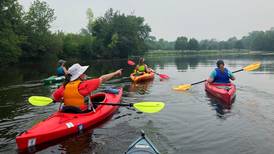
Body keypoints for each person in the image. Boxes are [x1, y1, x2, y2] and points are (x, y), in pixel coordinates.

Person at [52, 63, 122, 113]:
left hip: (66, 111)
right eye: (83, 73)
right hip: (82, 112)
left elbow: (54, 97)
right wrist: (115, 73)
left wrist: (66, 99)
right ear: (79, 75)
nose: (85, 74)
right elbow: (102, 78)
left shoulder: (64, 86)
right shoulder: (86, 85)